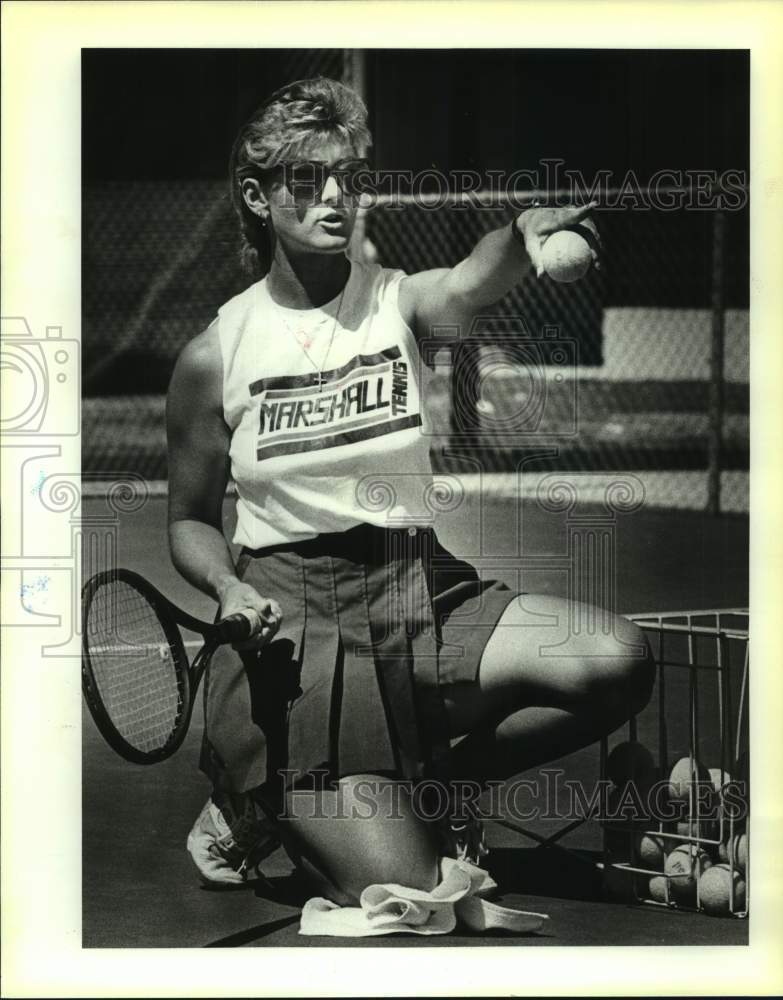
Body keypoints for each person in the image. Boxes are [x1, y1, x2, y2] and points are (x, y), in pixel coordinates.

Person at [166, 76, 654, 906]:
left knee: (613, 659)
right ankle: (253, 805)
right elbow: (188, 520)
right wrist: (226, 583)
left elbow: (468, 281)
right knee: (407, 890)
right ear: (256, 195)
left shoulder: (395, 303)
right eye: (304, 179)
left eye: (348, 178)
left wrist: (522, 231)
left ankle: (439, 784)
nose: (332, 197)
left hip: (416, 586)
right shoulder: (214, 354)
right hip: (295, 626)